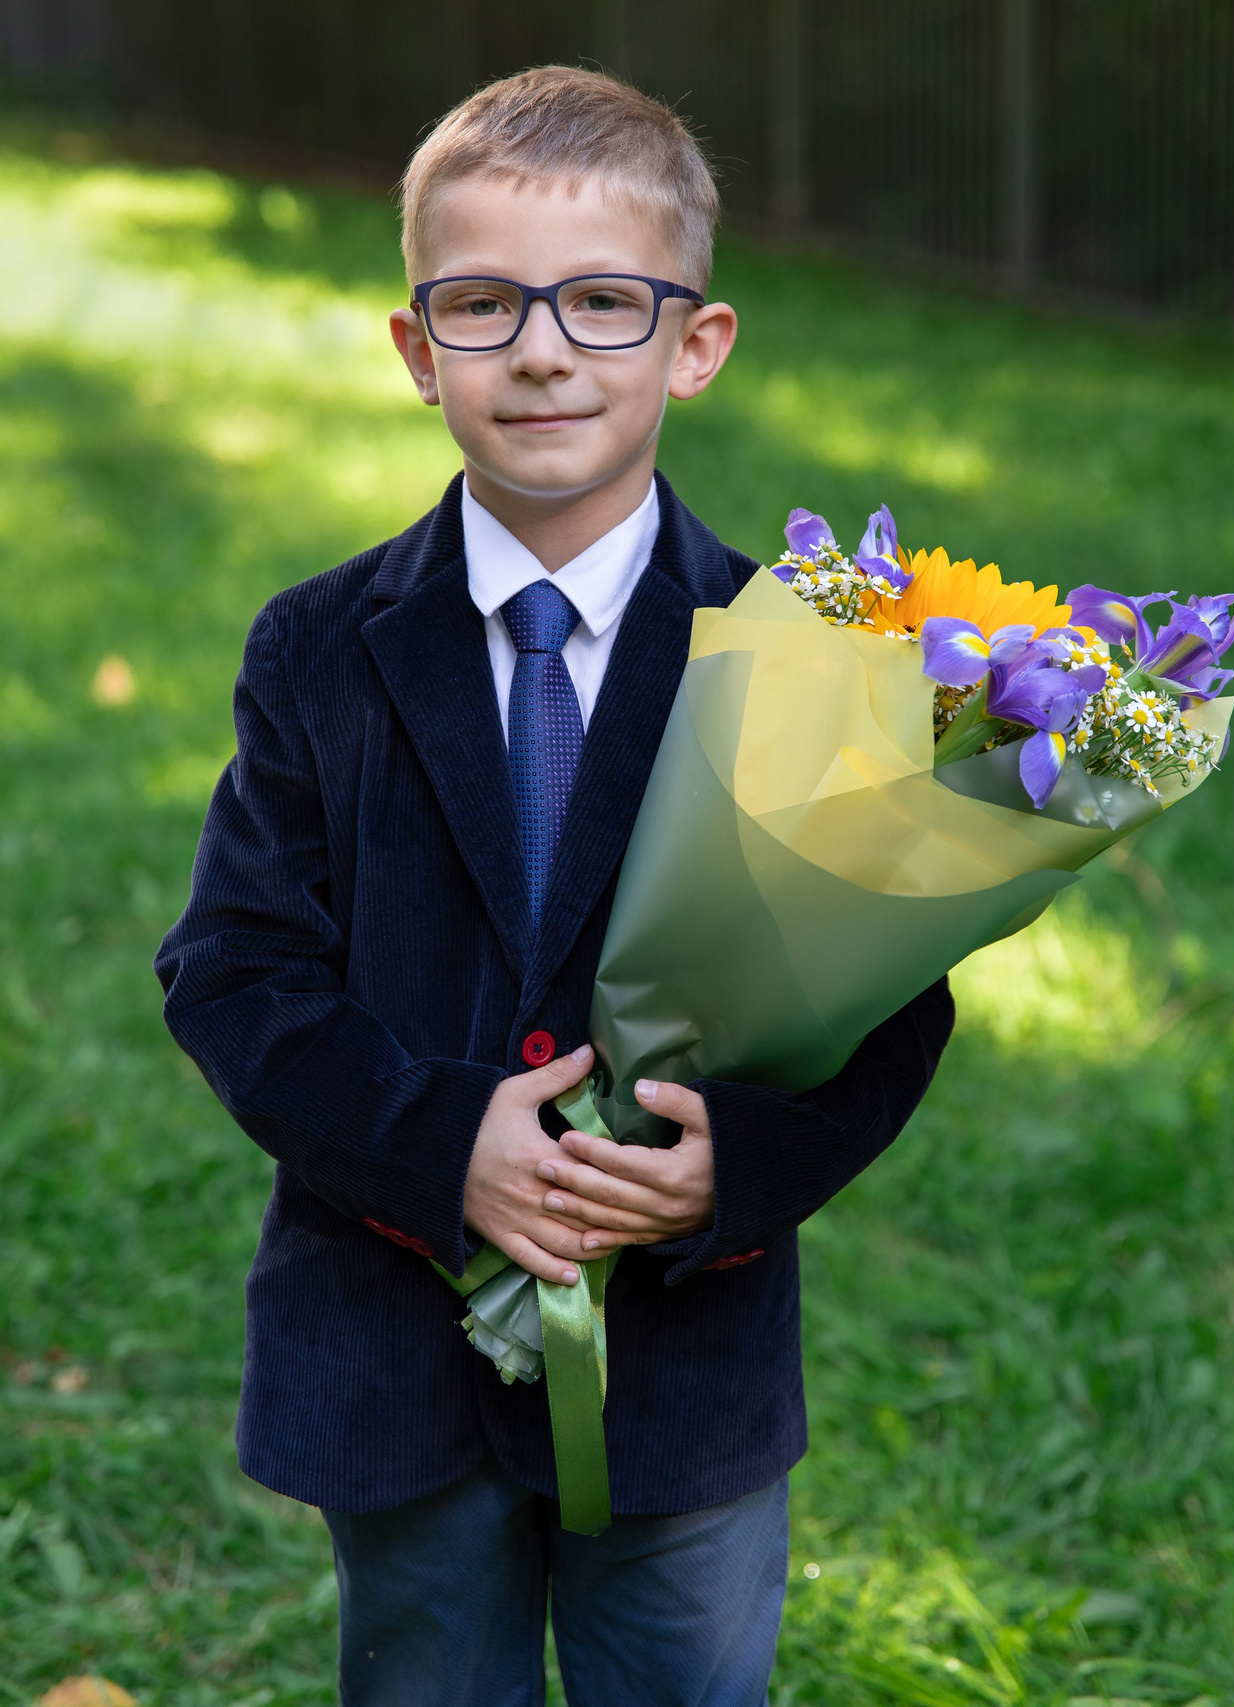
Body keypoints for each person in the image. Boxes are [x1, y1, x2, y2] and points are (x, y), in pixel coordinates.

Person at [154, 68, 954, 1702]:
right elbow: (232, 971)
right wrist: (443, 1139)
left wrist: (734, 1170)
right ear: (415, 346)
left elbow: (889, 1000)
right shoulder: (316, 648)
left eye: (602, 301)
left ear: (696, 343)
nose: (540, 350)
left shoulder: (806, 649)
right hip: (396, 1358)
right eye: (483, 304)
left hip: (682, 1374)